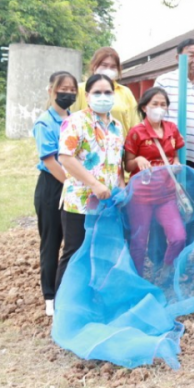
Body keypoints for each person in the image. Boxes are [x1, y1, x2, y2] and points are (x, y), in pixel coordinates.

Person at [56, 73, 126, 291]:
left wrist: (121, 184)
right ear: (87, 96)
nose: (103, 97)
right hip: (81, 201)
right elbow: (65, 157)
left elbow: (117, 162)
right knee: (75, 251)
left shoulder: (116, 126)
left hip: (108, 203)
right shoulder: (76, 121)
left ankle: (90, 300)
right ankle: (64, 307)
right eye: (97, 92)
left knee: (101, 253)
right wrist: (94, 184)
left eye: (108, 92)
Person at [123, 88, 187, 277]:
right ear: (144, 107)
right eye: (155, 104)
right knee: (139, 243)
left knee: (178, 237)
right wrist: (138, 161)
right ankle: (137, 280)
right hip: (140, 197)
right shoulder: (136, 132)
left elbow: (174, 156)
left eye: (163, 105)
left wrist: (176, 164)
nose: (159, 108)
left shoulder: (172, 129)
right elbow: (127, 165)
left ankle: (166, 270)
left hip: (166, 194)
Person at [33, 71, 78, 316]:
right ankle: (50, 295)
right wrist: (75, 183)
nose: (67, 94)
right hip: (52, 186)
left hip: (74, 185)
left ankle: (69, 290)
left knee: (72, 242)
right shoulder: (44, 123)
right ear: (51, 90)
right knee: (51, 242)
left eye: (72, 90)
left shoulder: (76, 120)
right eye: (63, 89)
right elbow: (51, 162)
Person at [154, 38, 194, 174]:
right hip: (167, 154)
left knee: (192, 195)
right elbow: (154, 118)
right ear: (178, 58)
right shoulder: (164, 81)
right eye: (191, 55)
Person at [73, 47, 140, 133]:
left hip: (118, 144)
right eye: (104, 65)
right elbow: (71, 119)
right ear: (94, 66)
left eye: (113, 66)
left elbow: (135, 125)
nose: (108, 69)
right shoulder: (80, 89)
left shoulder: (125, 92)